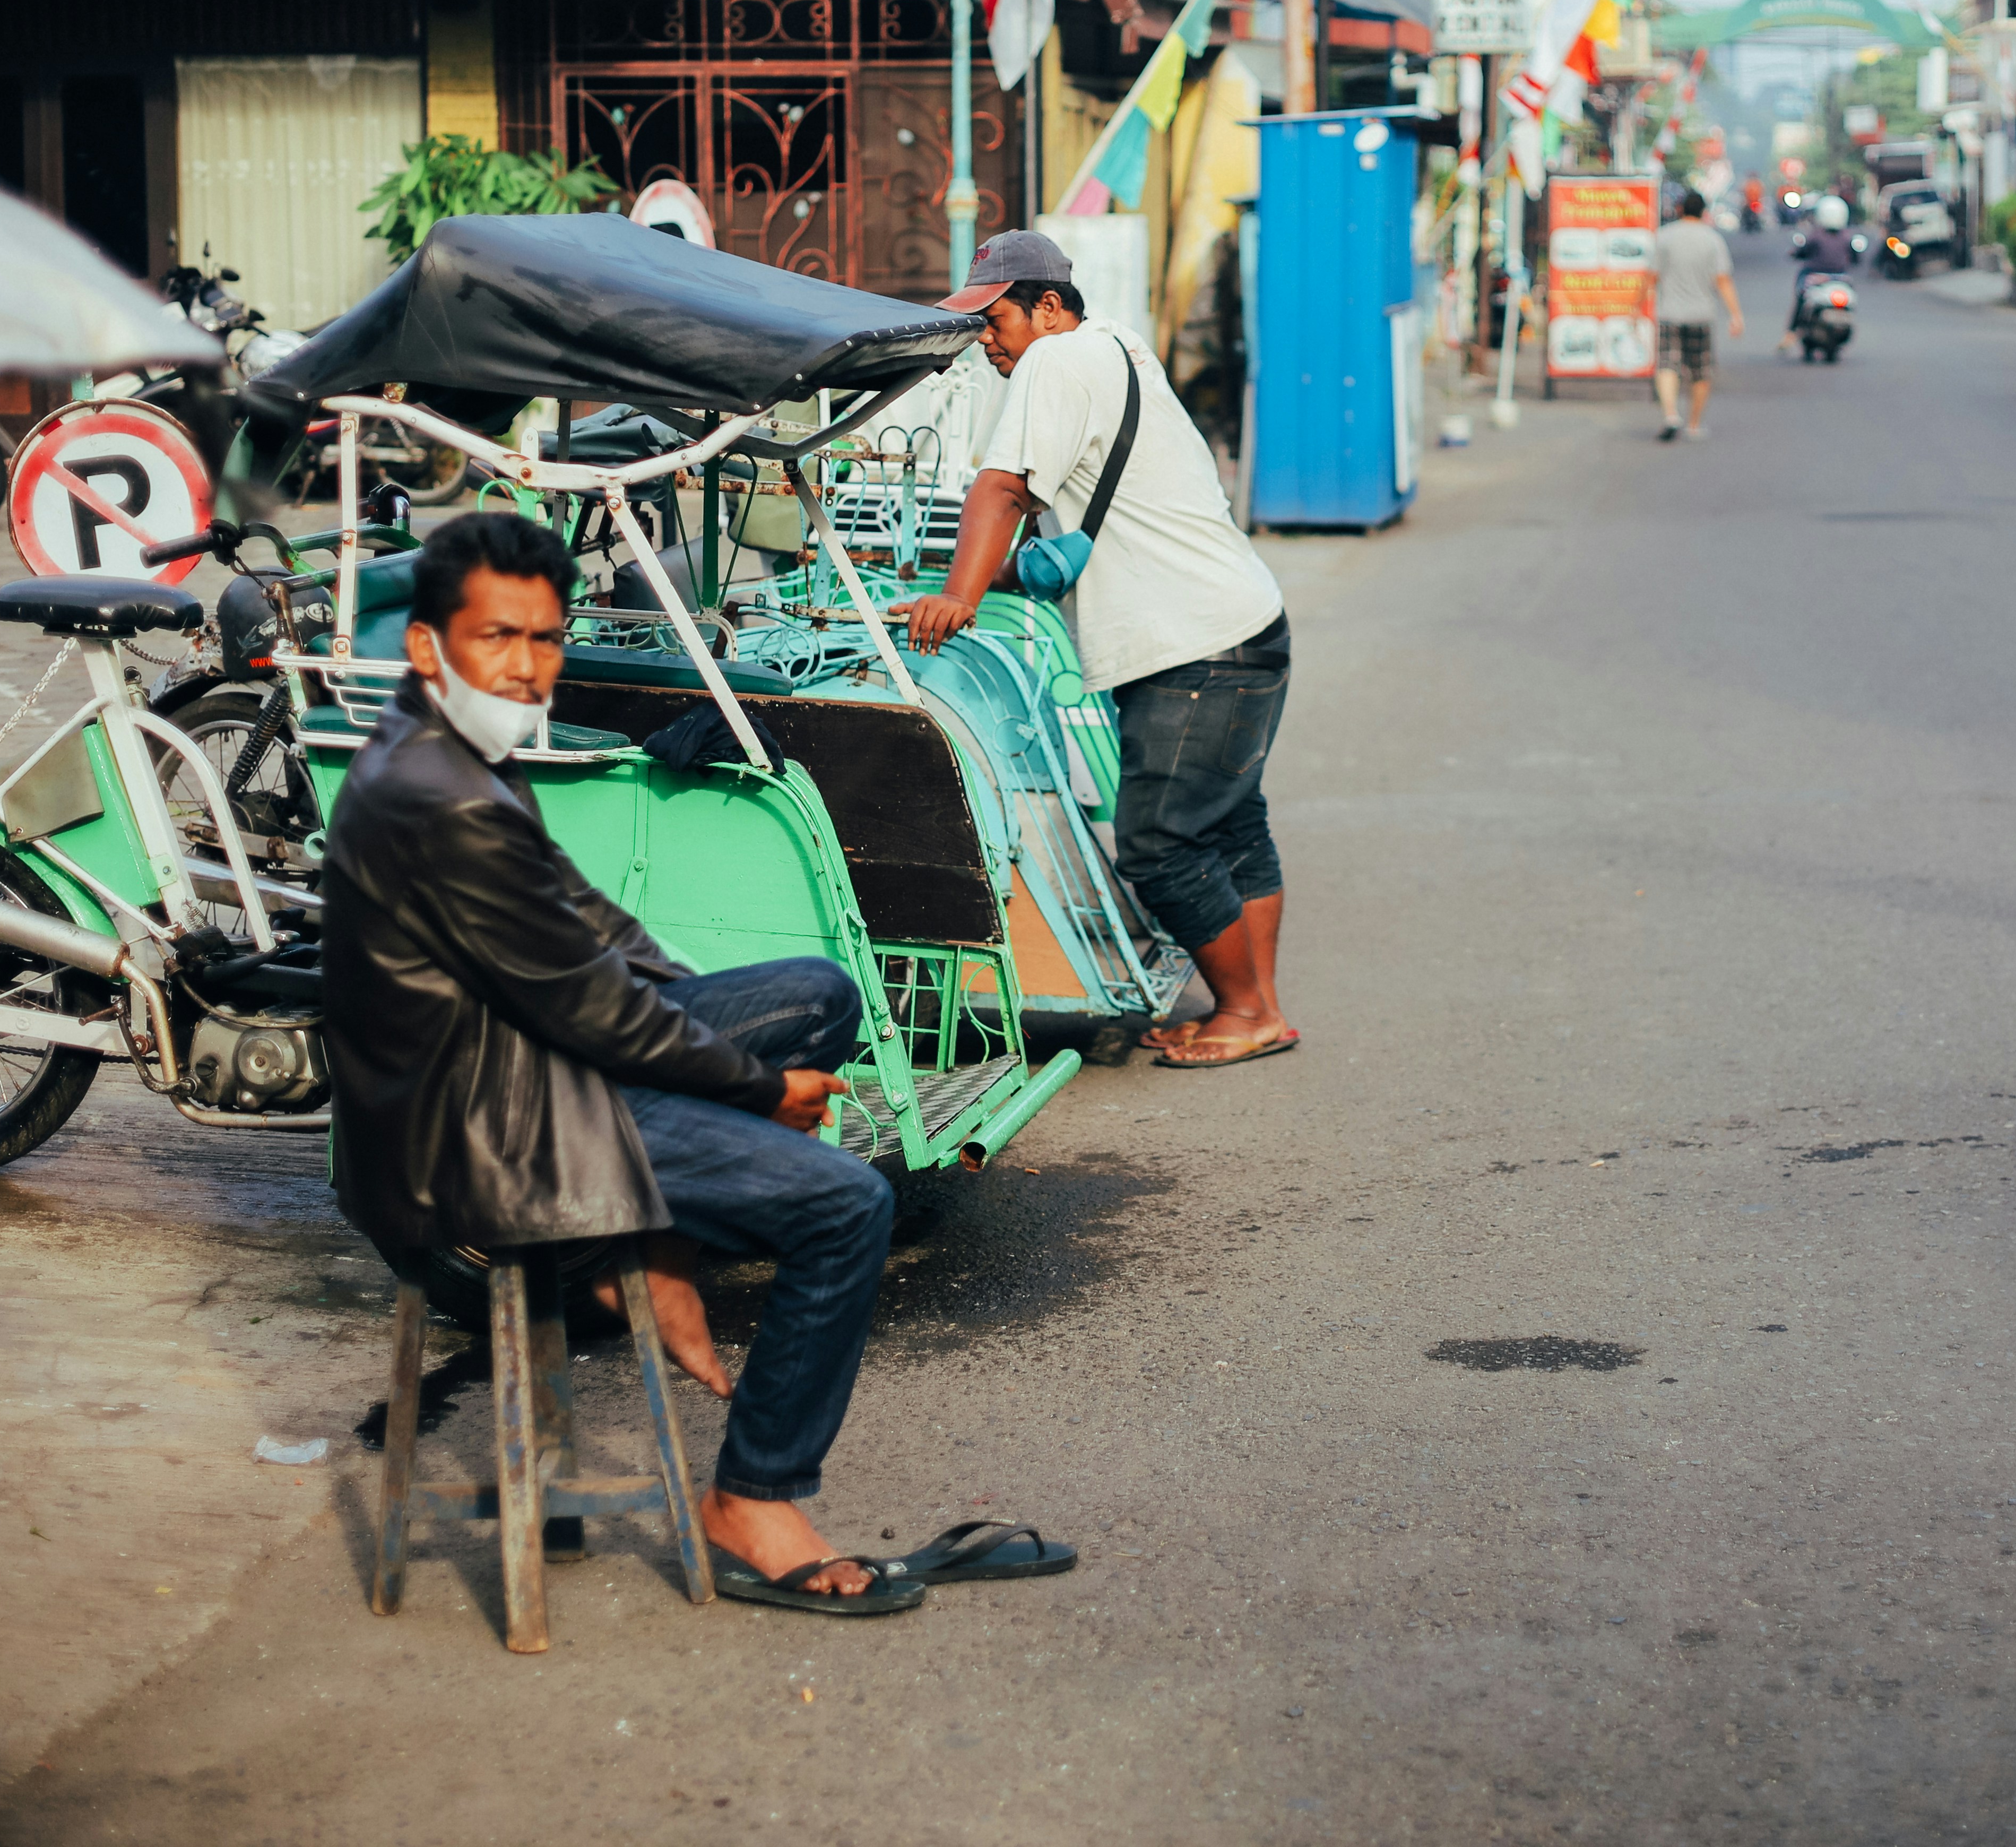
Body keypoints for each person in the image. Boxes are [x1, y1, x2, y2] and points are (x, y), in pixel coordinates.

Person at [326, 511, 1039, 1615]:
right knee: (847, 1204)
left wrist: (711, 1040)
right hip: (488, 1131)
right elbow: (590, 1008)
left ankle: (655, 1237)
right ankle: (753, 1497)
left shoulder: (453, 750)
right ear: (427, 647)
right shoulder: (438, 798)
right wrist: (754, 1090)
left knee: (816, 993)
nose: (526, 668)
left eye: (546, 640)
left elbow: (592, 932)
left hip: (531, 1067)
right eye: (496, 639)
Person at [898, 231, 1296, 1070]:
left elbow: (1004, 487)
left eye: (994, 319)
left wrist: (957, 597)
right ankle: (1252, 1005)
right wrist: (986, 581)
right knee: (1231, 828)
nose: (986, 341)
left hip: (1193, 646)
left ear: (1048, 306)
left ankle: (1249, 1009)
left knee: (1156, 842)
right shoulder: (1116, 347)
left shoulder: (1056, 359)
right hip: (1243, 622)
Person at [1652, 187, 1743, 442]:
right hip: (1701, 316)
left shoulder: (1665, 236)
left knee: (1667, 366)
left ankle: (1671, 414)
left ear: (1680, 209)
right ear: (1704, 212)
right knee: (1701, 373)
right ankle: (1693, 424)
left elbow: (1653, 277)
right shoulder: (1712, 240)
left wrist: (1637, 309)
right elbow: (1723, 281)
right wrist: (1736, 316)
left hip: (1669, 313)